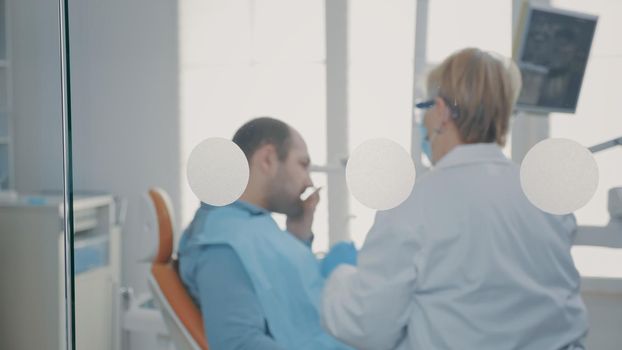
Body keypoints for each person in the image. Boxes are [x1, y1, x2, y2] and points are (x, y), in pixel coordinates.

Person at [320, 48, 588, 350]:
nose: (423, 120)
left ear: (442, 112)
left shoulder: (414, 204)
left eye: (425, 108)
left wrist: (339, 277)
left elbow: (367, 325)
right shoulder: (546, 197)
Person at [178, 117, 355, 350]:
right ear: (268, 159)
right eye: (303, 164)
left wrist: (298, 235)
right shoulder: (222, 243)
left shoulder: (250, 222)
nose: (309, 180)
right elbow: (238, 343)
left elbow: (281, 286)